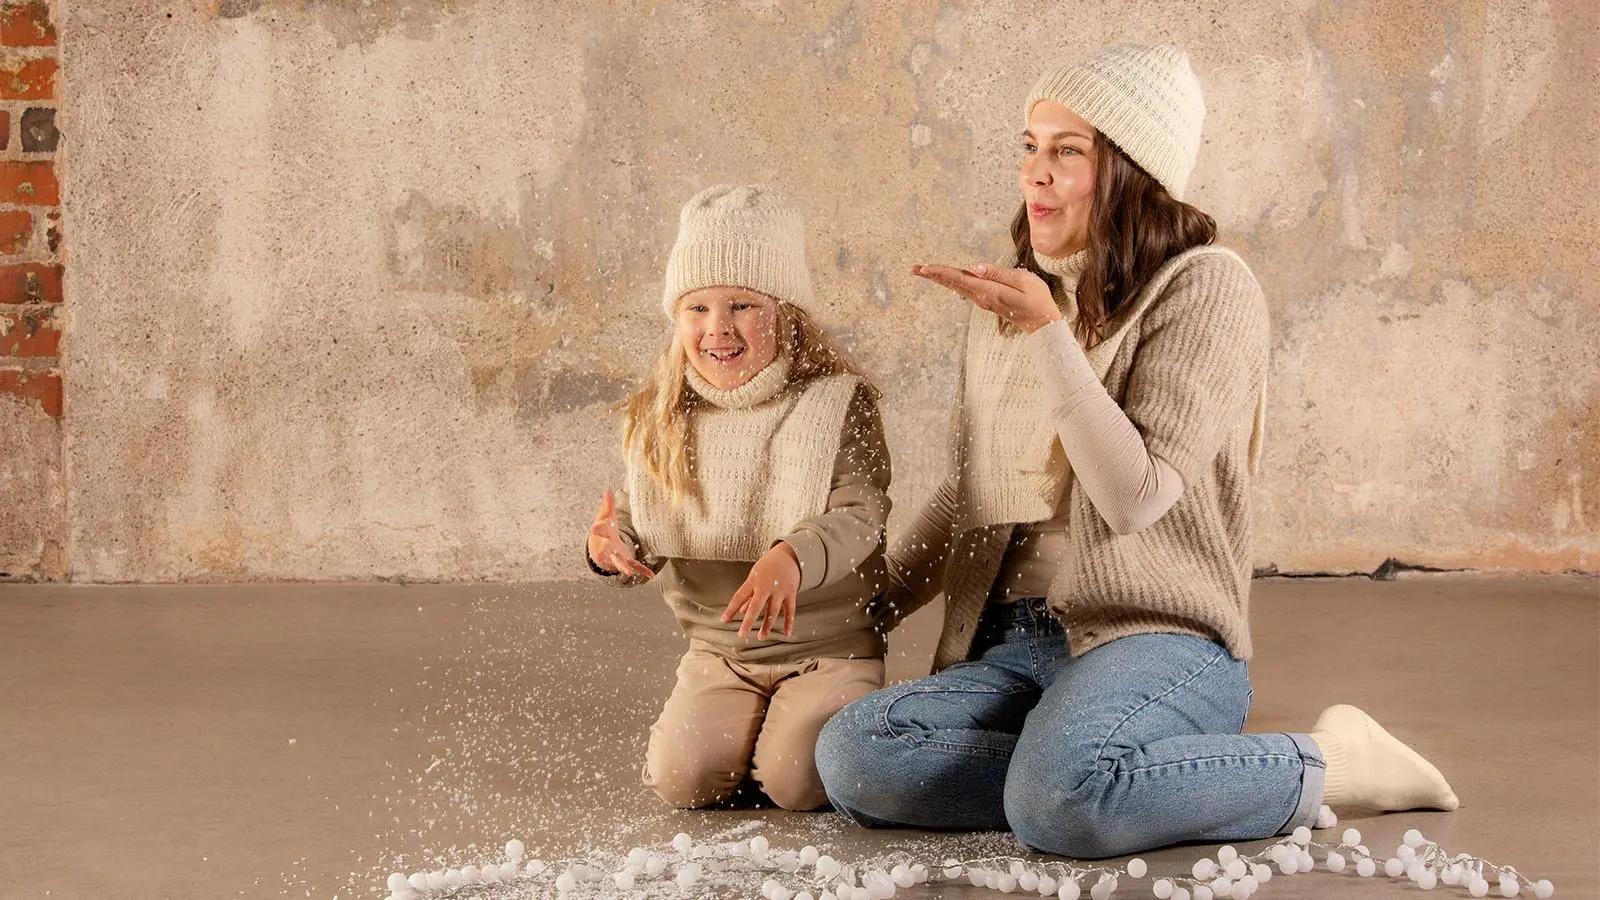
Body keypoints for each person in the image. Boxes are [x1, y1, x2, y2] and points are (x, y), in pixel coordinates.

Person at [814, 44, 1457, 857]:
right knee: (854, 756)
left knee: (1060, 808)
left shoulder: (1206, 288)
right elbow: (972, 490)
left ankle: (1330, 766)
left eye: (1067, 151)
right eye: (1029, 146)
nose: (1035, 173)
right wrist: (863, 607)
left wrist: (1049, 335)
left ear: (1131, 168)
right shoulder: (1019, 291)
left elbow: (1136, 495)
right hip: (1012, 642)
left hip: (1156, 638)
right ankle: (1101, 773)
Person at [588, 184, 892, 811]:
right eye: (696, 308)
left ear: (787, 314)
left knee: (795, 782)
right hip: (721, 650)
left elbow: (861, 515)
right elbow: (648, 525)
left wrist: (793, 555)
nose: (717, 328)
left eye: (741, 306)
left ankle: (803, 727)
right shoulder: (662, 416)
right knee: (686, 783)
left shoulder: (835, 403)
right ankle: (747, 724)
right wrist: (613, 547)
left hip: (827, 647)